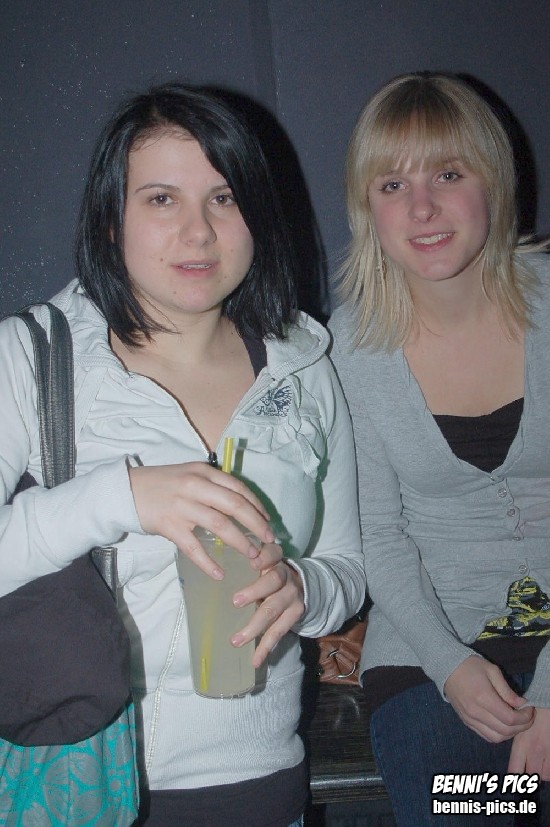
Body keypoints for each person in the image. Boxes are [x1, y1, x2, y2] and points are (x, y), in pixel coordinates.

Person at [0, 82, 364, 826]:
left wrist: (302, 588)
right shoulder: (32, 356)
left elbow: (348, 568)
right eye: (162, 199)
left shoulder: (304, 365)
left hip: (266, 784)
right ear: (112, 219)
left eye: (224, 198)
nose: (198, 232)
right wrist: (120, 498)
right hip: (81, 786)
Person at [329, 71, 550, 826]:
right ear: (367, 206)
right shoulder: (349, 348)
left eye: (448, 174)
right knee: (469, 808)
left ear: (494, 179)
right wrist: (452, 665)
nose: (421, 207)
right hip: (432, 650)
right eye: (393, 184)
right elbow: (378, 535)